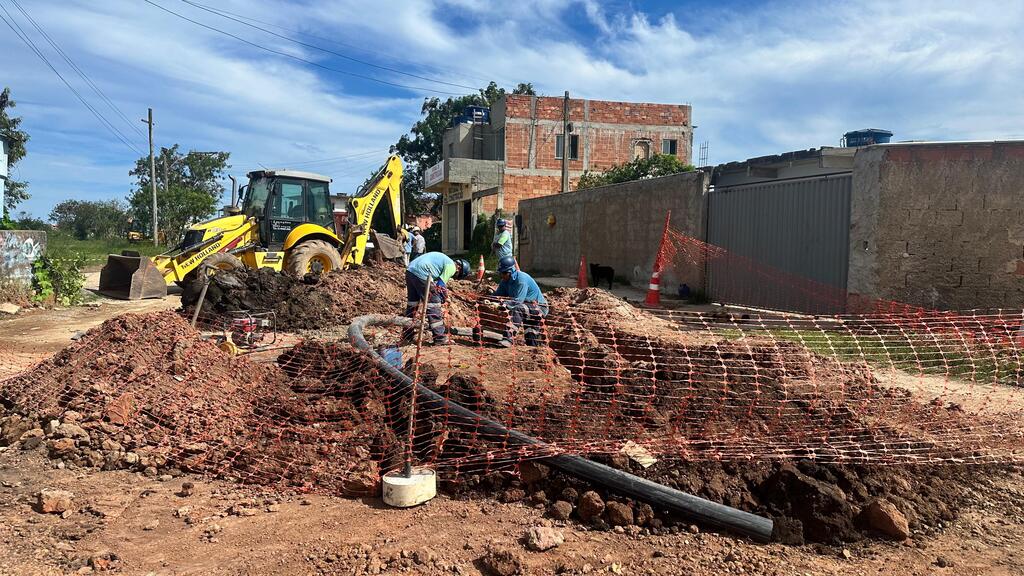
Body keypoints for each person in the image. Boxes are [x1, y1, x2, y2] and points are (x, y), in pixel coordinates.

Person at [404, 252, 470, 345]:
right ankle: (440, 338)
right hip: (422, 273)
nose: (454, 276)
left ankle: (407, 334)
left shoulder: (443, 260)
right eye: (457, 275)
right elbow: (440, 285)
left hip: (410, 271)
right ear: (459, 268)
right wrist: (442, 296)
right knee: (434, 303)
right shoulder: (451, 266)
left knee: (412, 305)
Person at [492, 256, 548, 347]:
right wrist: (487, 299)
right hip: (528, 308)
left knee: (518, 309)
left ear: (510, 272)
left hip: (539, 308)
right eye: (500, 273)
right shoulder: (505, 281)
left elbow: (518, 301)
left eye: (503, 273)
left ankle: (508, 339)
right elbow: (497, 295)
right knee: (531, 336)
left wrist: (502, 304)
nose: (501, 276)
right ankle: (535, 350)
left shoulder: (521, 280)